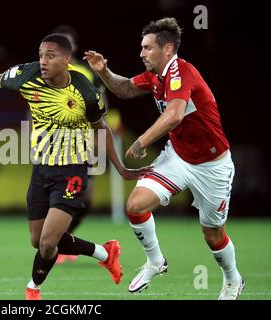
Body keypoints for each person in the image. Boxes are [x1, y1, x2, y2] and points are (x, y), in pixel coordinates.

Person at [0, 34, 152, 300]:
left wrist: (122, 169)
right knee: (38, 241)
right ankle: (105, 253)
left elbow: (100, 129)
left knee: (48, 243)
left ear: (66, 61)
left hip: (73, 170)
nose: (43, 61)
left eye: (50, 56)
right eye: (41, 54)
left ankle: (32, 289)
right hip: (42, 169)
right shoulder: (27, 74)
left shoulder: (85, 92)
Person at [84, 17, 244, 300]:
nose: (141, 53)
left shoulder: (183, 73)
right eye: (142, 48)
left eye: (147, 48)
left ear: (167, 49)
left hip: (213, 165)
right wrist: (104, 71)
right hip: (179, 158)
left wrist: (142, 141)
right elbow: (124, 88)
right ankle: (156, 261)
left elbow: (174, 115)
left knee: (213, 234)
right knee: (135, 204)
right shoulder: (156, 77)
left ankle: (233, 280)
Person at [52, 24, 109, 264]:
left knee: (86, 197)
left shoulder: (87, 72)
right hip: (55, 142)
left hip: (84, 140)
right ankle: (55, 242)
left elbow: (100, 100)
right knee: (57, 191)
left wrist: (101, 132)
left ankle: (63, 238)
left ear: (73, 47)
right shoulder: (47, 71)